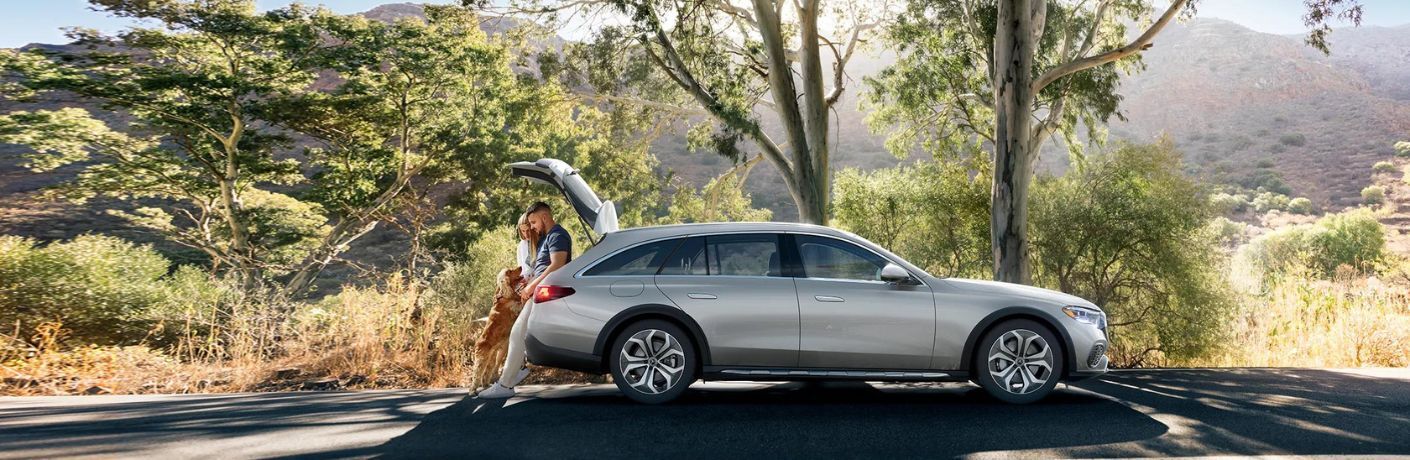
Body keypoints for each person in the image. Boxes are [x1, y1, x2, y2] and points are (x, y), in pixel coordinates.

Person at [477, 201, 573, 399]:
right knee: (521, 334)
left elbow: (557, 264)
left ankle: (506, 384)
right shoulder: (547, 238)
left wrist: (531, 286)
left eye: (534, 222)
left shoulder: (558, 235)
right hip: (539, 291)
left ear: (544, 217)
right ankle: (515, 373)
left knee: (517, 333)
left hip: (545, 292)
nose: (533, 227)